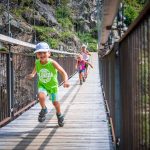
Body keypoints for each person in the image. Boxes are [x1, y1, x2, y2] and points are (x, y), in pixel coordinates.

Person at [26, 42, 69, 127]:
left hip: (53, 87)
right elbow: (35, 68)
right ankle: (44, 109)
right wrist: (33, 74)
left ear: (49, 53)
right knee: (41, 96)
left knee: (55, 103)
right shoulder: (37, 62)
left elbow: (63, 72)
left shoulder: (52, 63)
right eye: (39, 53)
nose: (42, 55)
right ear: (37, 55)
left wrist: (66, 81)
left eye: (44, 52)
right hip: (42, 85)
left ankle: (59, 114)